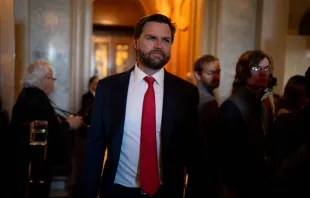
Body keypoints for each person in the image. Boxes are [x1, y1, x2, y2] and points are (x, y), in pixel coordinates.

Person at [83, 14, 199, 198]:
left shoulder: (186, 93)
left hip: (167, 192)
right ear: (136, 42)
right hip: (118, 191)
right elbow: (94, 147)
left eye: (166, 40)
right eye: (151, 38)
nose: (159, 45)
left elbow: (193, 152)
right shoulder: (108, 88)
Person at [12, 59, 82, 198]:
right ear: (41, 80)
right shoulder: (36, 100)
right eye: (51, 78)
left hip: (31, 163)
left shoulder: (31, 95)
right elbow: (46, 132)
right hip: (35, 166)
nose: (53, 81)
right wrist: (69, 124)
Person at [218, 50, 273, 198]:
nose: (263, 73)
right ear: (244, 71)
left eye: (266, 69)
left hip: (258, 182)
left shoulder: (261, 102)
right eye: (256, 68)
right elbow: (224, 155)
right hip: (238, 185)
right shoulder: (232, 107)